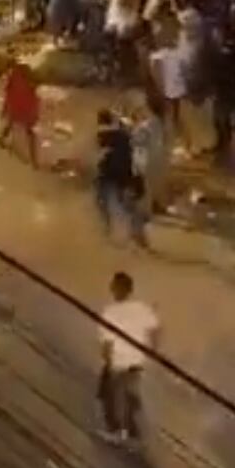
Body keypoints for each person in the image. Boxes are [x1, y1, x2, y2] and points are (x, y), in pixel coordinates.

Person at [97, 270, 161, 445]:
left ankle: (117, 431)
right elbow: (155, 329)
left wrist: (108, 363)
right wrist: (151, 351)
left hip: (119, 362)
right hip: (136, 361)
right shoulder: (141, 308)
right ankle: (131, 433)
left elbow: (107, 343)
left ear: (115, 288)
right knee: (129, 397)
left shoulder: (110, 312)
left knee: (110, 396)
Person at [95, 112, 147, 246]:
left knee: (102, 201)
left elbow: (100, 157)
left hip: (110, 174)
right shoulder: (124, 134)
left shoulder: (102, 136)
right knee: (126, 203)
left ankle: (106, 229)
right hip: (126, 172)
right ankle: (136, 232)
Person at [0, 61, 41, 167]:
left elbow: (8, 93)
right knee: (29, 132)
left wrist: (4, 109)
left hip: (18, 105)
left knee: (12, 121)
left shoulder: (14, 75)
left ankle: (2, 138)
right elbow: (35, 91)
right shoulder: (27, 74)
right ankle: (34, 160)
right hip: (28, 107)